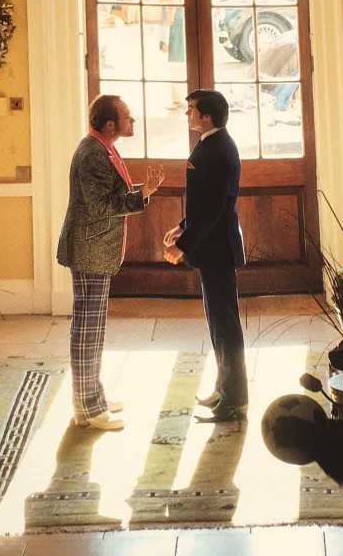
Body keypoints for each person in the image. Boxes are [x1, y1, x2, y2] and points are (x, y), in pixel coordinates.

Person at [58, 94, 165, 432]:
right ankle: (87, 409)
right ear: (109, 124)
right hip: (90, 250)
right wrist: (141, 195)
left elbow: (109, 195)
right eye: (127, 116)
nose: (132, 120)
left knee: (93, 328)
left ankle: (94, 398)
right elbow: (100, 206)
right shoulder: (92, 153)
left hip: (95, 249)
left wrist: (143, 190)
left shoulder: (101, 147)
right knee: (87, 330)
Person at [163, 89, 248, 423]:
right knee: (218, 326)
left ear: (207, 116)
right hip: (211, 248)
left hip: (218, 249)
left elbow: (213, 209)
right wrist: (182, 226)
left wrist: (183, 245)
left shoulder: (219, 150)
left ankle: (235, 400)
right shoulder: (211, 143)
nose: (187, 114)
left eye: (191, 109)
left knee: (226, 327)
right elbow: (203, 203)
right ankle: (223, 390)